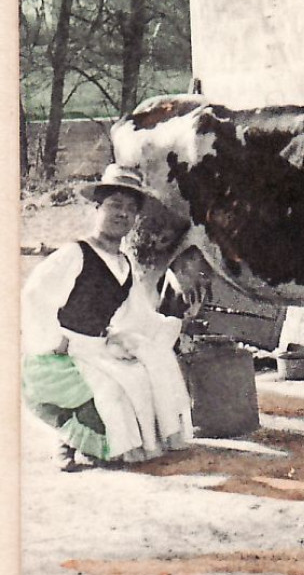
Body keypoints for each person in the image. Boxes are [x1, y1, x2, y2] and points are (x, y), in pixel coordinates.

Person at [22, 164, 193, 471]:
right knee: (112, 390)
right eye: (115, 205)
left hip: (95, 346)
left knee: (142, 375)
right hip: (60, 354)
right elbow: (34, 297)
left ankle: (103, 445)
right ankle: (68, 440)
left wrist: (171, 324)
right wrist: (54, 339)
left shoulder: (125, 264)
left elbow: (137, 314)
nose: (122, 214)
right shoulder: (74, 254)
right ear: (97, 208)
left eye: (130, 209)